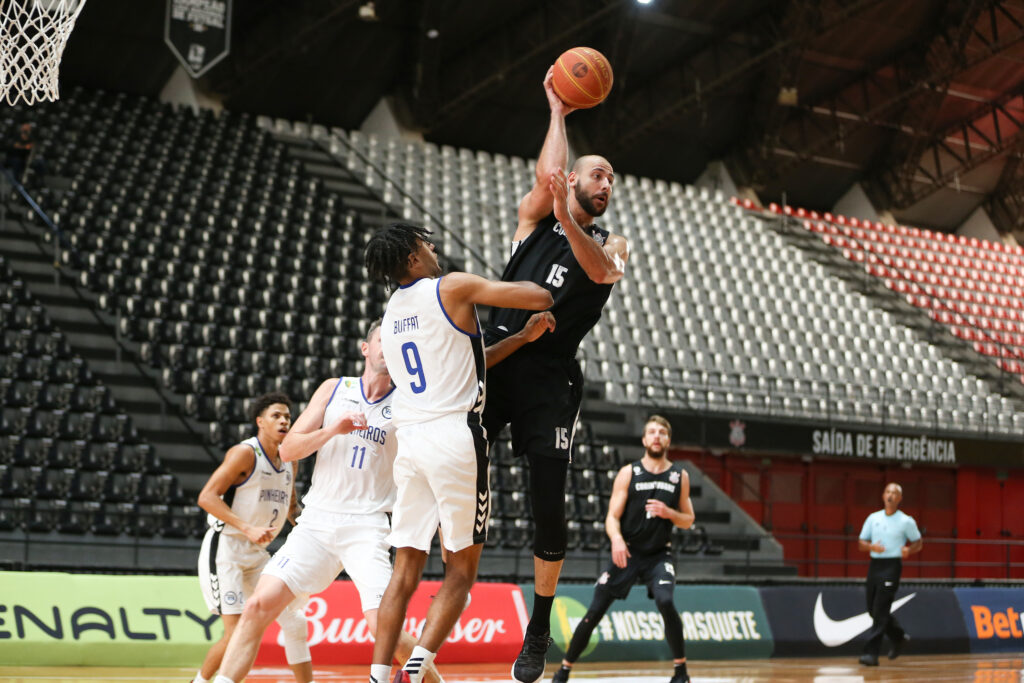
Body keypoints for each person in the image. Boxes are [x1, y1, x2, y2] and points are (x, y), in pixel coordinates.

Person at [482, 66, 630, 683]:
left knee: (549, 502)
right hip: (492, 359)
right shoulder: (532, 220)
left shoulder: (613, 243)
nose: (607, 184)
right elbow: (548, 180)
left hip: (550, 377)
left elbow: (599, 273)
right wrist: (558, 113)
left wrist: (573, 222)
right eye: (598, 173)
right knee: (459, 471)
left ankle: (538, 627)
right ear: (573, 179)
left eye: (613, 180)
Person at [364, 222, 553, 683]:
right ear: (411, 259)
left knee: (404, 569)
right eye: (424, 244)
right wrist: (543, 277)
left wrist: (519, 340)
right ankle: (417, 666)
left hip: (411, 442)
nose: (432, 248)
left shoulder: (390, 313)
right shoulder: (451, 285)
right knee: (461, 571)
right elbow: (540, 298)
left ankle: (376, 676)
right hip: (454, 439)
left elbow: (464, 361)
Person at [210, 321, 443, 683]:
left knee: (386, 632)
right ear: (365, 349)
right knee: (256, 607)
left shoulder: (409, 403)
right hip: (317, 523)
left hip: (367, 525)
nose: (388, 347)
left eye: (396, 341)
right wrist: (335, 429)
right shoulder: (335, 389)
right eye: (382, 340)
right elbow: (288, 449)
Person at [552, 415, 694, 683]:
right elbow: (611, 517)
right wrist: (616, 539)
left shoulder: (679, 475)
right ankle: (564, 670)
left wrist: (670, 513)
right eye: (651, 432)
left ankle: (681, 672)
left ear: (668, 440)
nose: (656, 436)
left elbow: (689, 520)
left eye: (662, 432)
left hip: (658, 555)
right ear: (643, 439)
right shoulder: (629, 472)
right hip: (627, 552)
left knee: (665, 600)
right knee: (594, 611)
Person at [194, 392, 310, 683]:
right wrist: (247, 527)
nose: (284, 420)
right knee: (236, 633)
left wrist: (310, 528)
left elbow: (291, 507)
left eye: (287, 416)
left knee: (293, 621)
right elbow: (207, 497)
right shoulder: (245, 453)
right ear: (260, 422)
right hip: (227, 549)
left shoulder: (288, 461)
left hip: (258, 554)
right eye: (276, 416)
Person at [857, 482, 922, 667]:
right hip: (875, 565)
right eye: (887, 492)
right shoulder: (873, 518)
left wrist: (909, 550)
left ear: (900, 498)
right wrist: (871, 547)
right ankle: (898, 636)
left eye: (894, 493)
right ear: (883, 495)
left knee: (881, 608)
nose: (890, 495)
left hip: (892, 566)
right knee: (873, 609)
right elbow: (861, 543)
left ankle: (871, 654)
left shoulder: (906, 521)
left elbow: (918, 542)